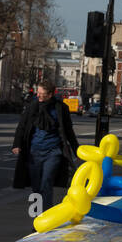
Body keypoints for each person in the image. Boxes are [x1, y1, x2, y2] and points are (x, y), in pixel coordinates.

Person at [11, 81, 80, 211]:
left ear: (50, 95)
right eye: (38, 93)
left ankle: (46, 215)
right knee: (36, 186)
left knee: (46, 183)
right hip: (34, 152)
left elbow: (68, 130)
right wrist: (17, 144)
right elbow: (22, 126)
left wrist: (76, 149)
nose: (39, 96)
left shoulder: (61, 108)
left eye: (42, 94)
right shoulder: (33, 106)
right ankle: (36, 218)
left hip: (53, 152)